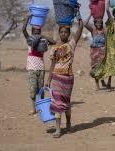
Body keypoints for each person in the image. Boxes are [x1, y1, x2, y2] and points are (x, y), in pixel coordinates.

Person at [46, 10, 83, 138]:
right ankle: (58, 129)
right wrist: (48, 79)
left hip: (68, 78)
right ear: (59, 33)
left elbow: (80, 30)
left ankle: (68, 123)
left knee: (66, 102)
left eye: (65, 32)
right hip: (56, 77)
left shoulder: (72, 44)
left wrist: (79, 18)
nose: (63, 34)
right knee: (56, 102)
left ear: (68, 33)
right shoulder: (54, 48)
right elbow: (52, 65)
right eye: (61, 32)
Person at [22, 15, 56, 115]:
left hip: (41, 68)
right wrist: (27, 18)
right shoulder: (30, 40)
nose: (37, 33)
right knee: (33, 89)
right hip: (31, 68)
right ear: (32, 32)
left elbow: (53, 42)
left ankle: (41, 108)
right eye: (35, 32)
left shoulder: (43, 41)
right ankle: (33, 109)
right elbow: (23, 30)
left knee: (40, 90)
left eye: (38, 32)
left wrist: (43, 36)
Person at [84, 15, 107, 90]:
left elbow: (107, 42)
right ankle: (97, 85)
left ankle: (103, 80)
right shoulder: (93, 31)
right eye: (97, 23)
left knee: (102, 67)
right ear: (95, 24)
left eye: (100, 23)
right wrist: (91, 14)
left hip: (102, 52)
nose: (99, 24)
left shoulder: (104, 31)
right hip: (94, 53)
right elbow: (85, 24)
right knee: (95, 68)